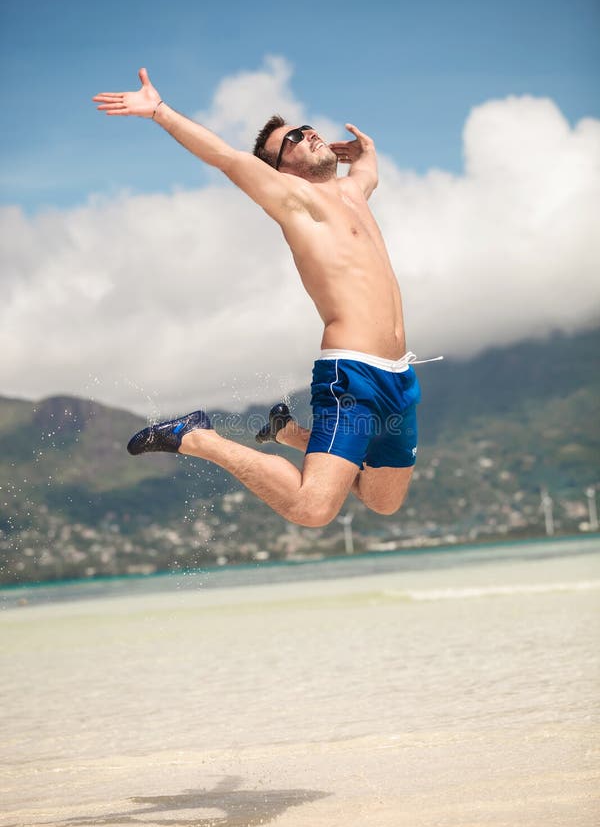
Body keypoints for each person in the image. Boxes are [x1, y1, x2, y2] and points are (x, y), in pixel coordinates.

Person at [93, 68, 435, 528]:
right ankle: (198, 437)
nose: (307, 132)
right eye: (292, 138)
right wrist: (159, 111)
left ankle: (289, 434)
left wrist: (367, 151)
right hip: (351, 377)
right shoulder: (295, 200)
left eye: (305, 126)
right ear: (281, 169)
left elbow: (368, 170)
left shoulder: (353, 191)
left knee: (383, 499)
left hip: (399, 376)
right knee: (313, 509)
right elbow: (227, 159)